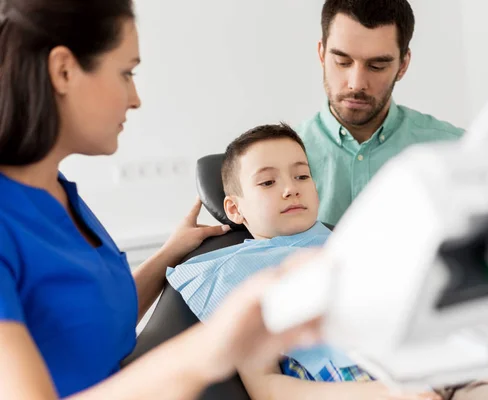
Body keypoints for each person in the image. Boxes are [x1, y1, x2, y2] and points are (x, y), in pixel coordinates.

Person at [0, 1, 321, 398]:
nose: (135, 98)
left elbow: (89, 323)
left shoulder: (58, 191)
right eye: (126, 73)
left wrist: (170, 253)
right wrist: (208, 348)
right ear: (63, 71)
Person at [167, 123, 443, 400]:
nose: (290, 189)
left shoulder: (357, 244)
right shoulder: (235, 276)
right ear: (235, 209)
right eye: (267, 182)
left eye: (301, 176)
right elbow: (265, 386)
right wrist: (379, 393)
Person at [298, 0, 465, 226]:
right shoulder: (271, 163)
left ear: (403, 65)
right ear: (321, 54)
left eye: (377, 66)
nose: (356, 84)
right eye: (342, 62)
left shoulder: (456, 152)